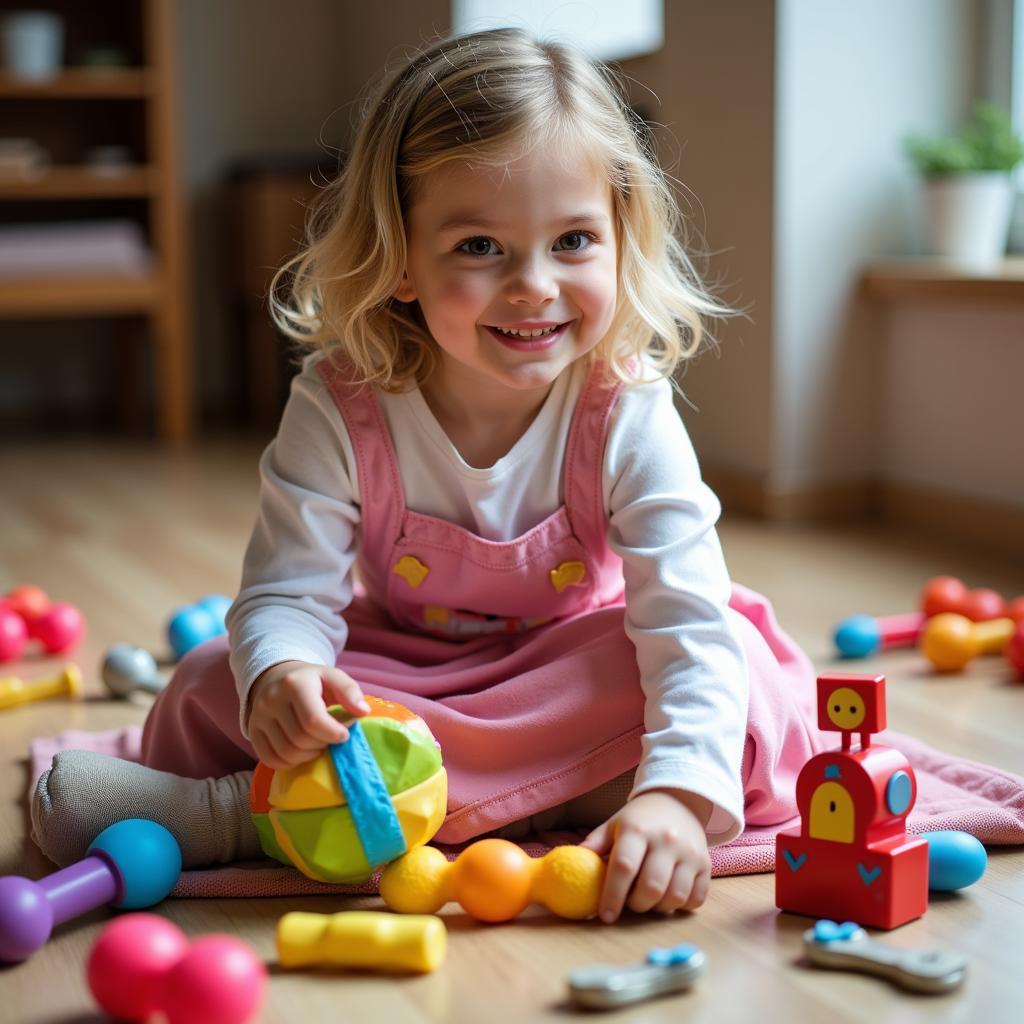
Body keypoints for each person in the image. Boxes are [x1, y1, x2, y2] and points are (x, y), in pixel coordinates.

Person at [32, 27, 822, 924]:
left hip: (567, 667)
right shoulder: (341, 402)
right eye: (480, 247)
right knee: (210, 681)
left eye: (572, 240)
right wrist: (284, 674)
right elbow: (287, 593)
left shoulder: (626, 409)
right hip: (399, 675)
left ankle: (249, 818)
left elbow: (680, 618)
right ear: (401, 257)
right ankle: (546, 797)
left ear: (620, 239)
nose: (533, 286)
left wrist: (679, 798)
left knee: (743, 675)